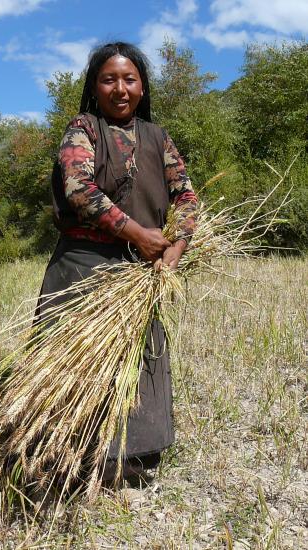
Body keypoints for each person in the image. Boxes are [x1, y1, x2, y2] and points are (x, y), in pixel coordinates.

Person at [37, 42, 197, 481]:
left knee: (138, 363)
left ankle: (136, 453)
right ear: (94, 86)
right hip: (83, 267)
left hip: (139, 273)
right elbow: (78, 188)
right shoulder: (83, 129)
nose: (120, 88)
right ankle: (69, 459)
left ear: (142, 87)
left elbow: (186, 197)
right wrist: (136, 233)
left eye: (130, 79)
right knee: (74, 367)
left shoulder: (157, 136)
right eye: (109, 79)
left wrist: (171, 253)